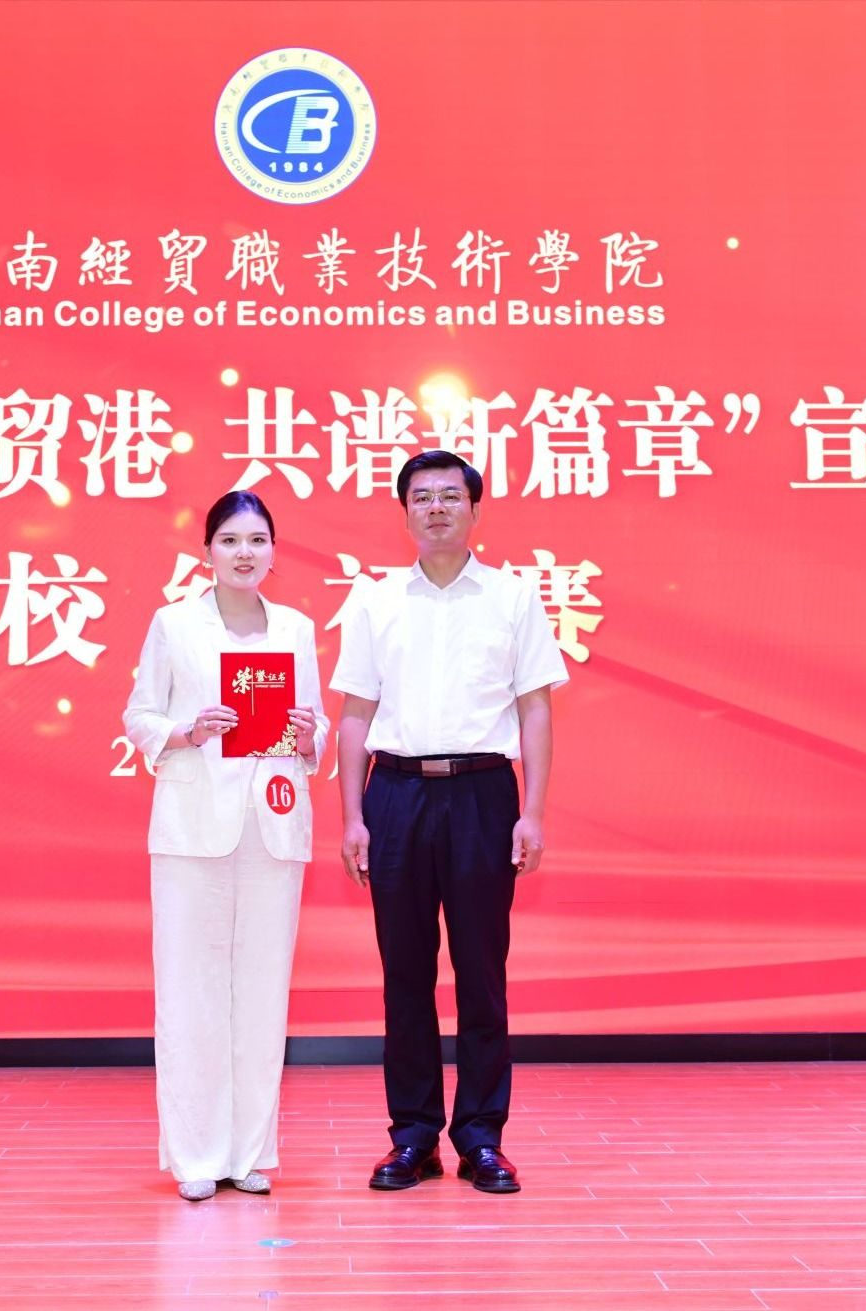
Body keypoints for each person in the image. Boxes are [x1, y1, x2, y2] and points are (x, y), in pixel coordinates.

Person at [330, 450, 567, 1195]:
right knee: (404, 973)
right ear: (405, 512)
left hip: (483, 794)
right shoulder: (375, 602)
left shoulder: (512, 597)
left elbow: (535, 707)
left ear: (474, 509)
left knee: (481, 973)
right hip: (396, 793)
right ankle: (413, 1137)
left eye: (450, 496)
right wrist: (352, 817)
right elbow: (355, 714)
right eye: (422, 497)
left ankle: (482, 1138)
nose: (436, 508)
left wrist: (532, 811)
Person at [123, 490, 327, 1202]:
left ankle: (249, 1152)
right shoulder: (174, 623)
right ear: (207, 550)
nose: (245, 553)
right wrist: (188, 730)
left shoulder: (296, 628)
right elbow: (140, 714)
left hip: (273, 825)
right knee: (190, 989)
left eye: (258, 540)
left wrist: (307, 735)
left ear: (274, 551)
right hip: (192, 827)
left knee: (263, 992)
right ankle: (196, 1155)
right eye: (231, 540)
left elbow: (314, 732)